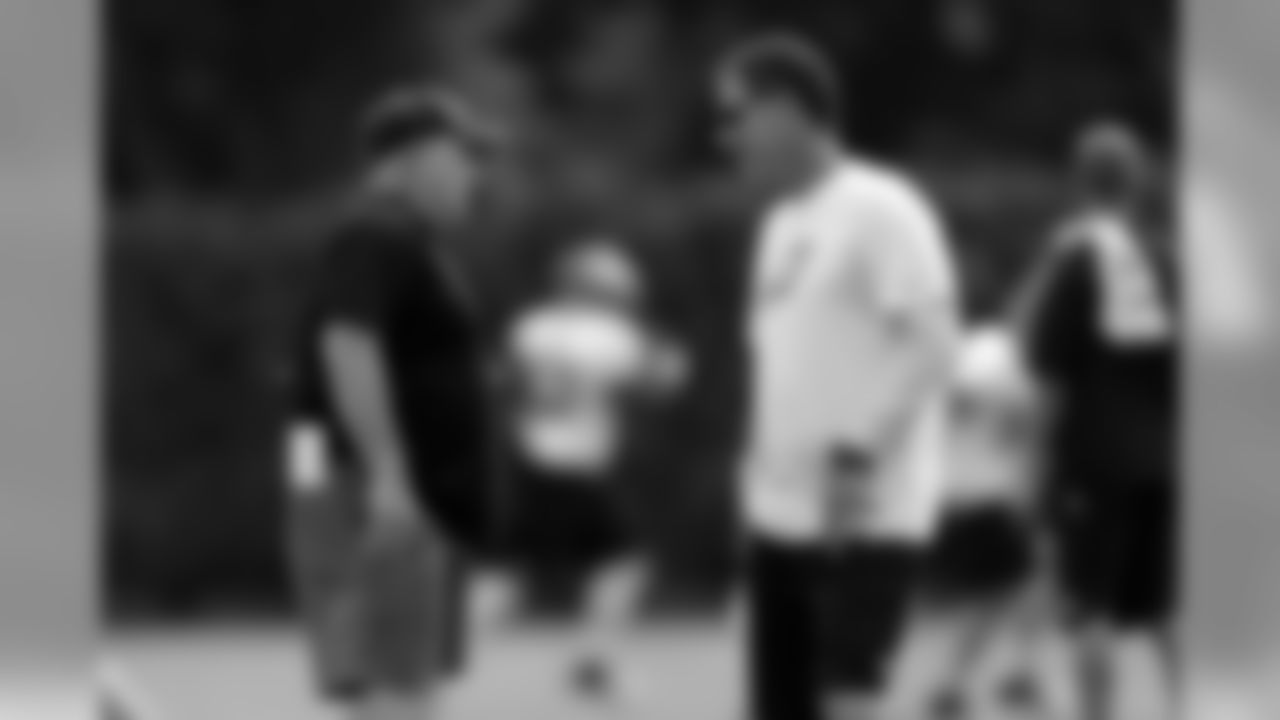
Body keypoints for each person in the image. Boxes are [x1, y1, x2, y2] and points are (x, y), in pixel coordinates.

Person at [715, 34, 961, 720]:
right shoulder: (779, 224)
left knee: (846, 697)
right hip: (778, 517)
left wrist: (860, 448)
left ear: (787, 110)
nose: (725, 135)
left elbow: (934, 344)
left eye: (736, 115)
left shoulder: (881, 207)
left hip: (865, 515)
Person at [283, 87, 499, 720]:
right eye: (464, 155)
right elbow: (347, 345)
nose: (475, 174)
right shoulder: (375, 233)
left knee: (391, 685)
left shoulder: (400, 238)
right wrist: (387, 473)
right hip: (372, 487)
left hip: (355, 477)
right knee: (397, 686)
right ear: (409, 160)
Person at [1019, 121, 1179, 720]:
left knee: (1091, 610)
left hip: (1093, 463)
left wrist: (1034, 468)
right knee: (1166, 610)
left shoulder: (1074, 259)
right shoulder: (1166, 258)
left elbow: (1046, 371)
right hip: (1164, 462)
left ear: (1078, 181)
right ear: (1138, 182)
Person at [501, 240, 688, 708]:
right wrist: (659, 344)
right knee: (622, 564)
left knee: (510, 564)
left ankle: (590, 663)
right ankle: (592, 664)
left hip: (526, 457)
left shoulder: (531, 327)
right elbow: (665, 380)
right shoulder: (609, 335)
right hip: (574, 465)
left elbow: (512, 380)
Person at [924, 326, 1053, 719]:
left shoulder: (962, 355)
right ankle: (953, 685)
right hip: (992, 496)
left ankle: (1017, 673)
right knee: (1002, 593)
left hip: (949, 492)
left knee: (1020, 586)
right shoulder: (1017, 370)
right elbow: (1028, 433)